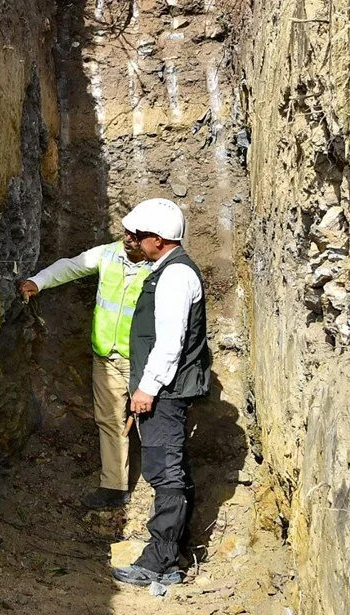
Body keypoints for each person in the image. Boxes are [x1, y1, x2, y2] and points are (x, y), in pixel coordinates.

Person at [110, 198, 212, 587]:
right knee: (167, 468)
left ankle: (160, 562)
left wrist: (146, 390)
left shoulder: (174, 276)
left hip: (164, 392)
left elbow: (170, 342)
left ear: (158, 239)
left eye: (138, 236)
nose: (132, 241)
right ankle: (169, 556)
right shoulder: (167, 270)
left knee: (164, 471)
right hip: (164, 389)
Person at [18, 219, 152, 509]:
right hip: (105, 356)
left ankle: (162, 490)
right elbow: (71, 266)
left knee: (153, 425)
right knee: (110, 421)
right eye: (126, 232)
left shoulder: (160, 267)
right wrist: (37, 282)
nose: (127, 238)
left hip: (142, 361)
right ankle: (114, 487)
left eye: (135, 235)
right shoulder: (108, 254)